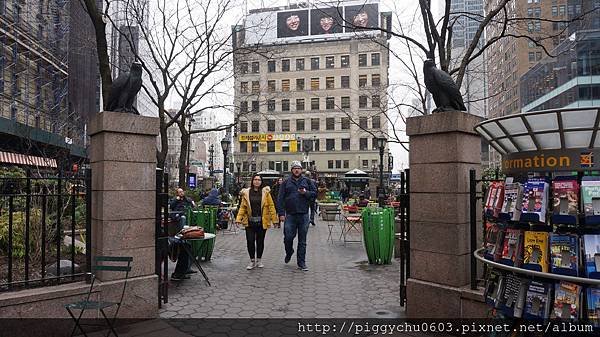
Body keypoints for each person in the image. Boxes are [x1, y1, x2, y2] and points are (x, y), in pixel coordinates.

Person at [277, 161, 316, 271]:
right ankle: (289, 252)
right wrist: (281, 214)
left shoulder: (307, 181)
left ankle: (301, 263)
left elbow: (314, 194)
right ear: (291, 170)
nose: (297, 170)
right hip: (290, 215)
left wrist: (306, 193)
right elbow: (280, 199)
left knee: (302, 241)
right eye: (294, 168)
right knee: (288, 237)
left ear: (302, 170)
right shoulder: (286, 183)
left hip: (303, 214)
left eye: (298, 168)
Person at [235, 174, 278, 270]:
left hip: (262, 221)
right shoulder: (246, 193)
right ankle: (252, 261)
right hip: (249, 222)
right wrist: (238, 219)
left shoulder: (266, 193)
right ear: (252, 181)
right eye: (255, 179)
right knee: (250, 241)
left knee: (260, 241)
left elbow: (271, 206)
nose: (257, 181)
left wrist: (275, 220)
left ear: (261, 182)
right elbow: (242, 207)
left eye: (259, 180)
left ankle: (259, 259)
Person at [168, 188, 197, 281]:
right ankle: (183, 233)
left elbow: (192, 203)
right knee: (185, 246)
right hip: (178, 218)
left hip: (186, 216)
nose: (181, 193)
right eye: (180, 192)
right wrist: (176, 199)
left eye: (182, 191)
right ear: (177, 193)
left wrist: (192, 202)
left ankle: (186, 269)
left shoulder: (186, 199)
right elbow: (171, 206)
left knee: (188, 246)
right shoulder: (175, 200)